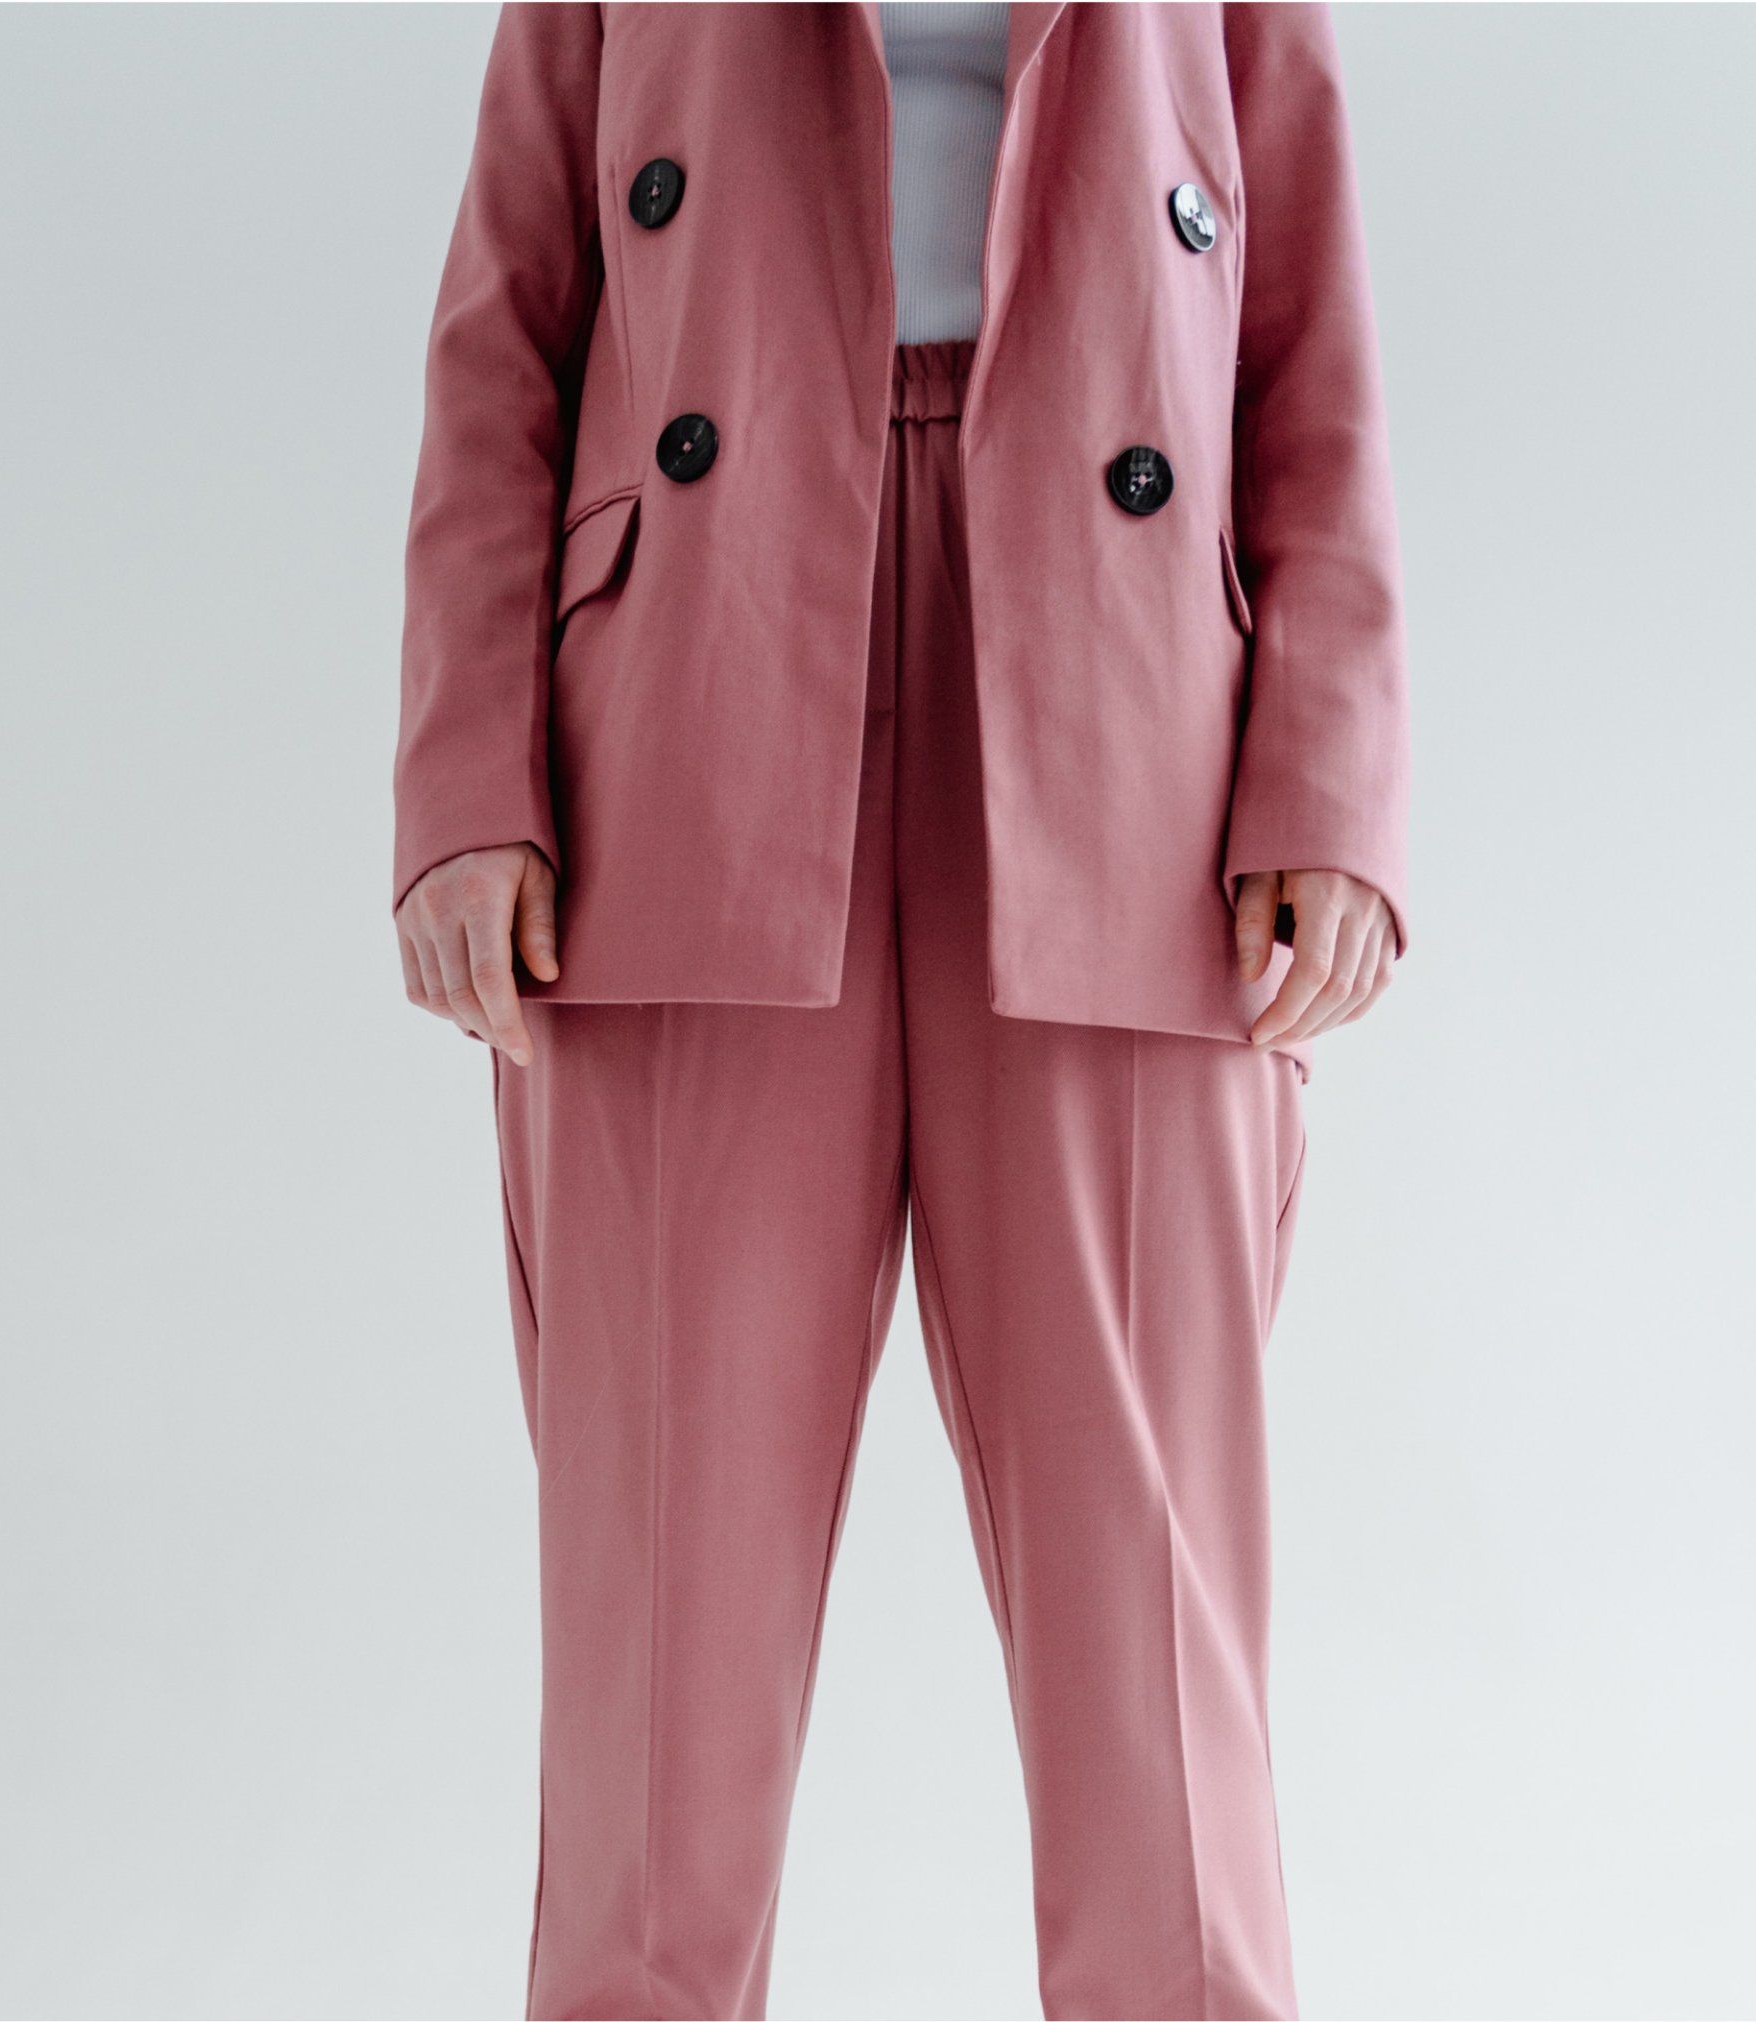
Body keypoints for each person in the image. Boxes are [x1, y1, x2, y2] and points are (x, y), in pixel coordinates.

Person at [392, 5, 1407, 2016]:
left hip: (1121, 716)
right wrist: (464, 782)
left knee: (1154, 1649)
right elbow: (509, 311)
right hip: (689, 697)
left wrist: (1332, 772)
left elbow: (1309, 317)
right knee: (661, 1676)